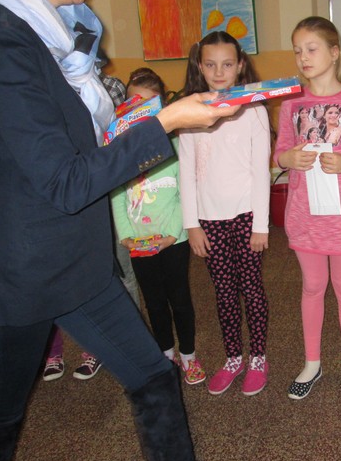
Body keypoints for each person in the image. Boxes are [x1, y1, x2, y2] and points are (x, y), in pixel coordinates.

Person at [0, 0, 239, 461]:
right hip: (15, 275)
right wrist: (167, 123)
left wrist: (157, 117)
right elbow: (67, 180)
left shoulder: (55, 37)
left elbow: (82, 140)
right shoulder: (3, 46)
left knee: (154, 378)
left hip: (74, 264)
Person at [275, 16, 341, 401]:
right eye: (298, 51)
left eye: (311, 49)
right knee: (312, 286)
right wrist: (288, 158)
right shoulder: (291, 104)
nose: (303, 57)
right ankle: (312, 363)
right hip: (305, 213)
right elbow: (279, 152)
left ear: (334, 53)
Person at [179, 31, 271, 396]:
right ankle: (234, 358)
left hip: (247, 215)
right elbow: (186, 171)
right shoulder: (190, 111)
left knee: (251, 287)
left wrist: (261, 225)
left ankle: (258, 358)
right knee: (224, 291)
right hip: (209, 220)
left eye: (227, 64)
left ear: (240, 65)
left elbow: (261, 171)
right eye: (211, 64)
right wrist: (191, 224)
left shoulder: (254, 110)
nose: (219, 72)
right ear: (200, 67)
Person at [42, 60, 143, 383]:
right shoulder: (45, 89)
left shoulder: (110, 87)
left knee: (120, 270)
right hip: (66, 194)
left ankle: (128, 342)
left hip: (105, 190)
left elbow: (118, 138)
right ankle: (79, 348)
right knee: (71, 275)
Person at [112, 68, 204, 386]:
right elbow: (117, 195)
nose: (138, 111)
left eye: (146, 104)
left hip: (173, 240)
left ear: (160, 107)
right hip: (138, 242)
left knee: (179, 299)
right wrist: (125, 234)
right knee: (153, 302)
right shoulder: (121, 149)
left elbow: (185, 192)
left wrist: (173, 233)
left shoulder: (173, 145)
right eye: (132, 103)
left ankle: (189, 356)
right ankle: (165, 355)